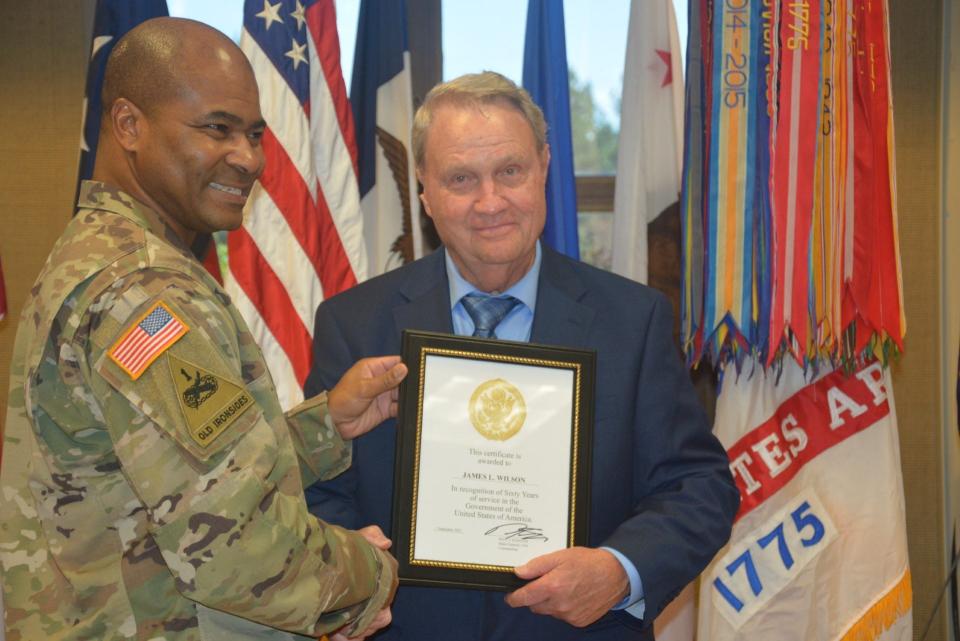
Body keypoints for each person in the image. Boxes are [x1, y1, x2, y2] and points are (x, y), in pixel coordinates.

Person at [0, 18, 405, 641]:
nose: (249, 158)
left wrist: (329, 427)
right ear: (129, 125)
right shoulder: (143, 291)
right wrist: (369, 574)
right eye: (217, 128)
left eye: (254, 134)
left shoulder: (105, 254)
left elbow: (161, 471)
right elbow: (234, 549)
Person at [304, 71, 740, 640]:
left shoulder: (634, 320)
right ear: (425, 191)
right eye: (461, 178)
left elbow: (699, 485)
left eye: (510, 171)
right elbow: (317, 491)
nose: (490, 202)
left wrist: (619, 570)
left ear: (543, 168)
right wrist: (349, 573)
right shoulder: (353, 323)